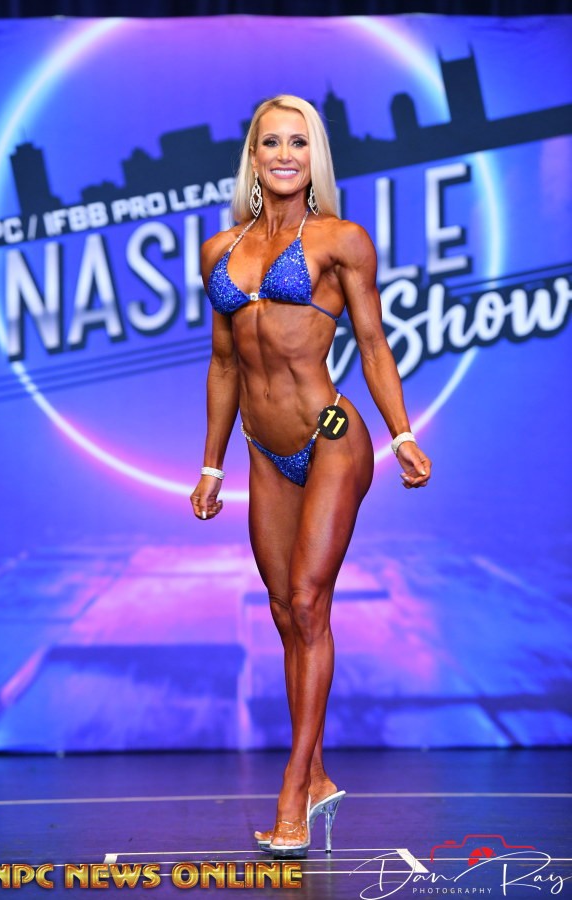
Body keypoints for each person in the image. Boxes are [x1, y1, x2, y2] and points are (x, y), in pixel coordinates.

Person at [190, 95, 431, 858]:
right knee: (285, 614)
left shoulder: (341, 241)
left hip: (331, 434)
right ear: (253, 157)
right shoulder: (218, 250)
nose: (286, 155)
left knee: (306, 600)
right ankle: (318, 772)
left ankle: (294, 790)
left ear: (314, 156)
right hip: (264, 449)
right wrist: (210, 464)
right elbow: (224, 364)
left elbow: (373, 343)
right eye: (272, 142)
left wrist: (402, 434)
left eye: (299, 142)